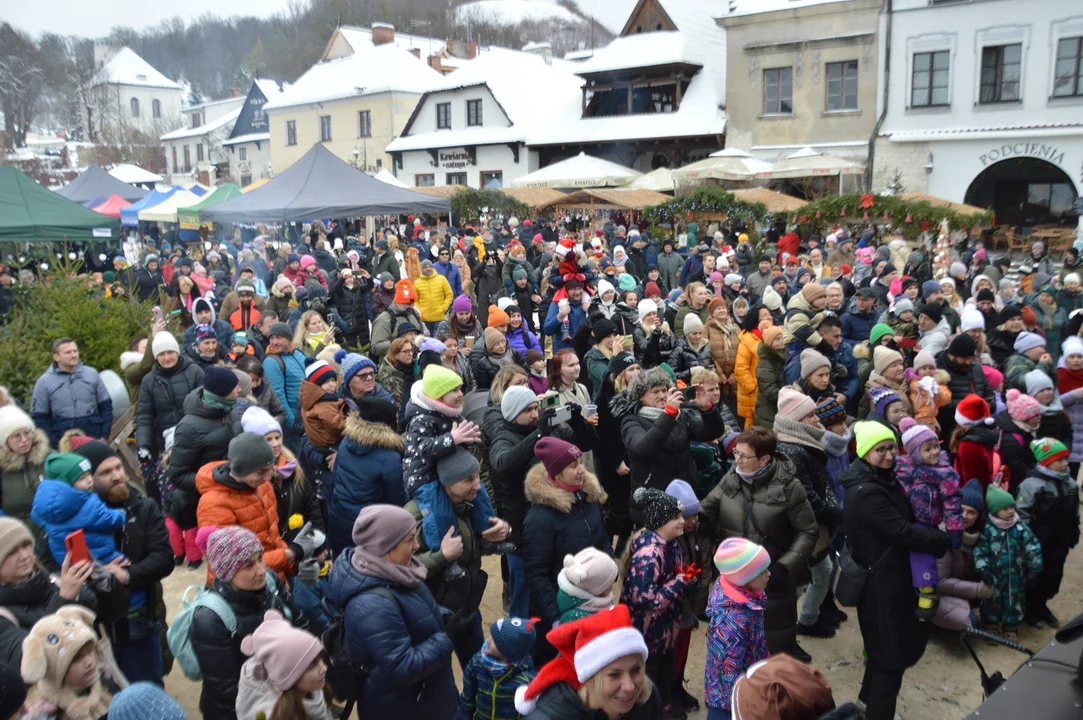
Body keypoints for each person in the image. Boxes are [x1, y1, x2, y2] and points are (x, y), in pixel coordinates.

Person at [840, 421, 950, 720]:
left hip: (890, 579)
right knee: (891, 658)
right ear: (864, 453)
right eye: (880, 450)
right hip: (882, 586)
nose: (889, 455)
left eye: (891, 448)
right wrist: (943, 539)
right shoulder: (867, 492)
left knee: (880, 651)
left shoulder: (881, 478)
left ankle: (866, 703)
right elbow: (902, 531)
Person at [326, 504, 462, 720]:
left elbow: (413, 612)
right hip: (406, 709)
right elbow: (403, 666)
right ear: (385, 547)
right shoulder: (371, 605)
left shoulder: (397, 571)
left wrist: (445, 617)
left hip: (430, 699)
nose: (417, 545)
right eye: (409, 540)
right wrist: (448, 638)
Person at [700, 427, 817, 661]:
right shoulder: (731, 478)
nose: (738, 460)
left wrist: (784, 567)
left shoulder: (789, 487)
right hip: (734, 582)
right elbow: (705, 509)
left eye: (745, 456)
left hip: (771, 580)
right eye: (736, 453)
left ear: (765, 459)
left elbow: (807, 531)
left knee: (773, 645)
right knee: (735, 648)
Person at [66, 439, 173, 686]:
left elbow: (163, 559)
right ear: (88, 480)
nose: (116, 476)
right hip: (97, 625)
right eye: (105, 472)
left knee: (149, 687)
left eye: (118, 467)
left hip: (140, 617)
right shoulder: (73, 520)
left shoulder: (144, 508)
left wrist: (127, 575)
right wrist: (98, 574)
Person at [491, 386, 598, 618]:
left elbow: (588, 443)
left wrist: (578, 420)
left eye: (535, 408)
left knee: (553, 594)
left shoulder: (553, 430)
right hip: (521, 534)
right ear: (512, 413)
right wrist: (538, 434)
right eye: (527, 410)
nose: (534, 414)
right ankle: (520, 646)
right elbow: (503, 464)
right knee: (523, 600)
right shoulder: (504, 437)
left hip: (556, 530)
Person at [407, 448, 512, 666]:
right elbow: (405, 568)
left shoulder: (469, 505)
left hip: (468, 606)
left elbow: (473, 548)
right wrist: (442, 556)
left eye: (477, 476)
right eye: (469, 479)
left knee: (477, 667)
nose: (478, 485)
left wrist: (503, 532)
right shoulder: (416, 514)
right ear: (447, 484)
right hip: (434, 615)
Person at [190, 526, 306, 720]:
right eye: (248, 566)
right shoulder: (210, 619)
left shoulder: (270, 581)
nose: (261, 570)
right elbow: (227, 692)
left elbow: (300, 623)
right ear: (227, 573)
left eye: (260, 558)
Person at [522, 437, 612, 663]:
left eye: (581, 462)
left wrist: (609, 570)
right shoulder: (539, 518)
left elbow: (603, 539)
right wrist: (557, 617)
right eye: (573, 466)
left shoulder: (588, 498)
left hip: (595, 603)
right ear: (557, 474)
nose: (582, 470)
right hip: (561, 611)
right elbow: (536, 574)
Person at [196, 433, 319, 582]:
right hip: (243, 593)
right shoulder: (213, 504)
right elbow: (231, 564)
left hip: (271, 580)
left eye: (270, 469)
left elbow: (273, 538)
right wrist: (290, 554)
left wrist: (294, 567)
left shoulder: (263, 486)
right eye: (261, 471)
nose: (268, 478)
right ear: (242, 469)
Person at [511, 605, 660, 720]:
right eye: (614, 675)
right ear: (589, 678)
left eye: (636, 670)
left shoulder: (647, 697)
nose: (630, 687)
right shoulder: (549, 715)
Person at [772, 389, 840, 640]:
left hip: (813, 526)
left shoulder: (802, 441)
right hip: (805, 528)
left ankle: (807, 619)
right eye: (810, 414)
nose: (817, 419)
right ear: (796, 420)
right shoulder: (791, 450)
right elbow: (806, 496)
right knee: (810, 577)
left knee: (815, 574)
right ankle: (803, 624)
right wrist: (835, 513)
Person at [619, 488, 694, 718]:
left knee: (665, 673)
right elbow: (645, 600)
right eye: (676, 518)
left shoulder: (672, 544)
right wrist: (680, 583)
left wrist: (686, 577)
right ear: (660, 521)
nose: (683, 522)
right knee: (647, 679)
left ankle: (663, 710)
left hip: (667, 630)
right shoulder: (649, 553)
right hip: (647, 634)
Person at [0, 517, 96, 669]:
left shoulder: (54, 581)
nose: (24, 555)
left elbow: (107, 614)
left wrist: (105, 582)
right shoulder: (3, 615)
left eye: (26, 545)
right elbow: (29, 660)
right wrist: (64, 599)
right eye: (12, 552)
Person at [895, 418, 964, 621]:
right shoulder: (902, 469)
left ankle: (927, 593)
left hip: (927, 522)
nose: (934, 452)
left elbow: (952, 503)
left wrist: (954, 530)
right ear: (914, 453)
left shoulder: (944, 474)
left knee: (922, 556)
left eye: (935, 446)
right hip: (905, 520)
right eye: (927, 449)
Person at [619, 367, 724, 494]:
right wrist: (669, 414)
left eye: (664, 390)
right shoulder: (631, 421)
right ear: (640, 396)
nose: (662, 395)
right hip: (653, 495)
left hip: (685, 489)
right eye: (655, 392)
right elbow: (643, 448)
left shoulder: (680, 415)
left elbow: (711, 432)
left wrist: (707, 408)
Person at [166, 367, 244, 533]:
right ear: (222, 391)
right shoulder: (188, 427)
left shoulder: (231, 412)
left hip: (239, 496)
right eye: (234, 386)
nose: (239, 389)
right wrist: (217, 478)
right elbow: (177, 476)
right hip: (212, 507)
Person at [326, 398, 404, 554]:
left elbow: (333, 483)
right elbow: (396, 502)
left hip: (337, 520)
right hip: (367, 529)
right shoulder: (390, 458)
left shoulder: (346, 442)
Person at [704, 538, 771, 719]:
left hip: (748, 682)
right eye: (763, 571)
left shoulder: (748, 598)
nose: (769, 574)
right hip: (729, 702)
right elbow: (728, 670)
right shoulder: (732, 619)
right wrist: (742, 702)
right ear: (745, 576)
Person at [1017, 438, 1079, 629]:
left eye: (1066, 459)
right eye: (1059, 460)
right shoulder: (1032, 485)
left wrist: (1075, 530)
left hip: (1059, 540)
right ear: (1045, 462)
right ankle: (1027, 608)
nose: (1065, 464)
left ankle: (1041, 605)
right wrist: (1026, 541)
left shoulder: (1070, 484)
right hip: (1038, 541)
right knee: (1034, 574)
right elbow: (1022, 514)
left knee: (1053, 574)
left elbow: (1074, 510)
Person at [136, 331, 204, 501]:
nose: (167, 357)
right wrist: (143, 445)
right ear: (156, 357)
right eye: (162, 354)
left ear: (177, 352)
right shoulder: (149, 381)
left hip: (195, 439)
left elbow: (204, 404)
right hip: (167, 446)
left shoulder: (195, 371)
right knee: (173, 490)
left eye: (170, 352)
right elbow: (144, 415)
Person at [31, 452, 125, 570]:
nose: (90, 480)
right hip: (102, 557)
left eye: (89, 474)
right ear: (67, 484)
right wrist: (121, 514)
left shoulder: (47, 509)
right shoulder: (88, 503)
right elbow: (110, 520)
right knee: (126, 570)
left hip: (71, 566)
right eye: (82, 478)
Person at [973, 485, 1043, 643]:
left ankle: (1010, 626)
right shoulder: (987, 530)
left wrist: (1034, 569)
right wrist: (983, 569)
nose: (1010, 511)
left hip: (1015, 575)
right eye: (1005, 508)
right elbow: (980, 551)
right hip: (993, 576)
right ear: (994, 511)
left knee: (1014, 600)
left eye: (1012, 506)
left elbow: (1033, 546)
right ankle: (991, 625)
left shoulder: (1020, 527)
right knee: (992, 600)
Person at [235, 609, 332, 720]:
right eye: (312, 666)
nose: (324, 668)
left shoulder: (313, 692)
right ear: (288, 677)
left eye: (319, 659)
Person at [19, 605, 112, 719]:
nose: (89, 662)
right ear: (53, 669)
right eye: (77, 659)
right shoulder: (44, 713)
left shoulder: (106, 687)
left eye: (89, 652)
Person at [30, 338, 113, 445]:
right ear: (56, 357)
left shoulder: (92, 374)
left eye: (75, 351)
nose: (74, 355)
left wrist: (104, 434)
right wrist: (56, 444)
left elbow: (106, 406)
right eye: (68, 352)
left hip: (95, 437)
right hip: (65, 441)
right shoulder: (44, 382)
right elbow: (39, 418)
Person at [461, 617, 537, 720]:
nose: (488, 640)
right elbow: (467, 697)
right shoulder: (478, 662)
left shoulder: (526, 680)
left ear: (507, 652)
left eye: (495, 640)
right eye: (491, 635)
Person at [0, 405, 50, 524]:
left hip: (53, 530)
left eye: (27, 433)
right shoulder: (2, 470)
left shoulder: (50, 458)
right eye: (16, 436)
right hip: (18, 533)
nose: (24, 439)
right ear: (4, 442)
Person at [263, 322, 308, 452]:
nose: (274, 342)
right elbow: (278, 397)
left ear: (288, 338)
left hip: (307, 420)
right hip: (291, 427)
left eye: (278, 337)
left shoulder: (299, 354)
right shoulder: (271, 362)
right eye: (271, 338)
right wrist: (293, 424)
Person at [557, 547, 618, 624]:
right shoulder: (574, 619)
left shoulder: (603, 599)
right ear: (596, 590)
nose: (612, 588)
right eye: (608, 585)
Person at [753, 325, 786, 428]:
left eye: (782, 338)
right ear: (769, 343)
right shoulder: (766, 363)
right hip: (769, 413)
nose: (781, 341)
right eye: (777, 339)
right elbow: (770, 391)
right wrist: (789, 397)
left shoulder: (784, 357)